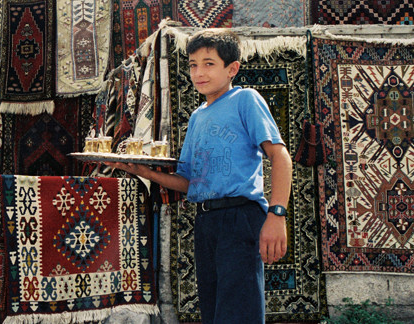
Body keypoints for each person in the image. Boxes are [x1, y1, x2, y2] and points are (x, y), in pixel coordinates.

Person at [109, 29, 292, 324]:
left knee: (239, 312)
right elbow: (189, 181)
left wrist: (277, 214)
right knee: (214, 310)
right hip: (206, 221)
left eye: (209, 63)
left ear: (232, 69)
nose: (198, 72)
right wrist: (144, 171)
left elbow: (280, 157)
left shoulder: (246, 99)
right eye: (193, 64)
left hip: (240, 216)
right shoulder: (197, 117)